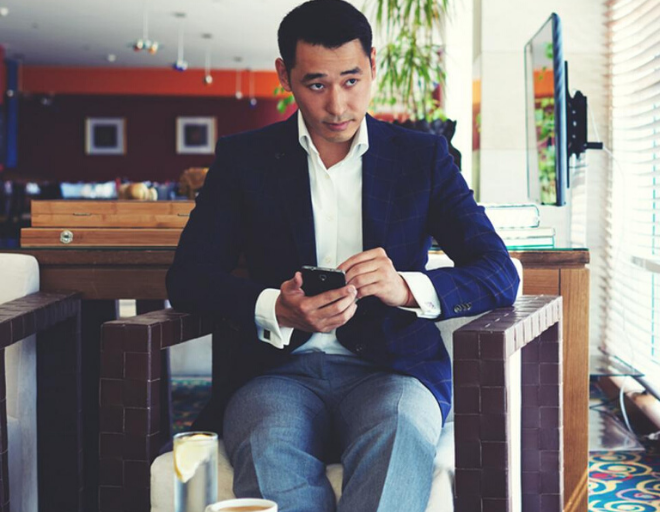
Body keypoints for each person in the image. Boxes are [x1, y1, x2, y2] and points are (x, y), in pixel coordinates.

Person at [165, 1, 519, 510]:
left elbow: (497, 273)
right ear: (284, 75)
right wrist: (275, 307)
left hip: (395, 371)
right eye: (316, 84)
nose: (337, 106)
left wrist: (406, 287)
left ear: (373, 64)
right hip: (274, 373)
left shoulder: (421, 158)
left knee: (397, 434)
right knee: (268, 445)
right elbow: (189, 278)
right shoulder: (245, 159)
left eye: (352, 81)